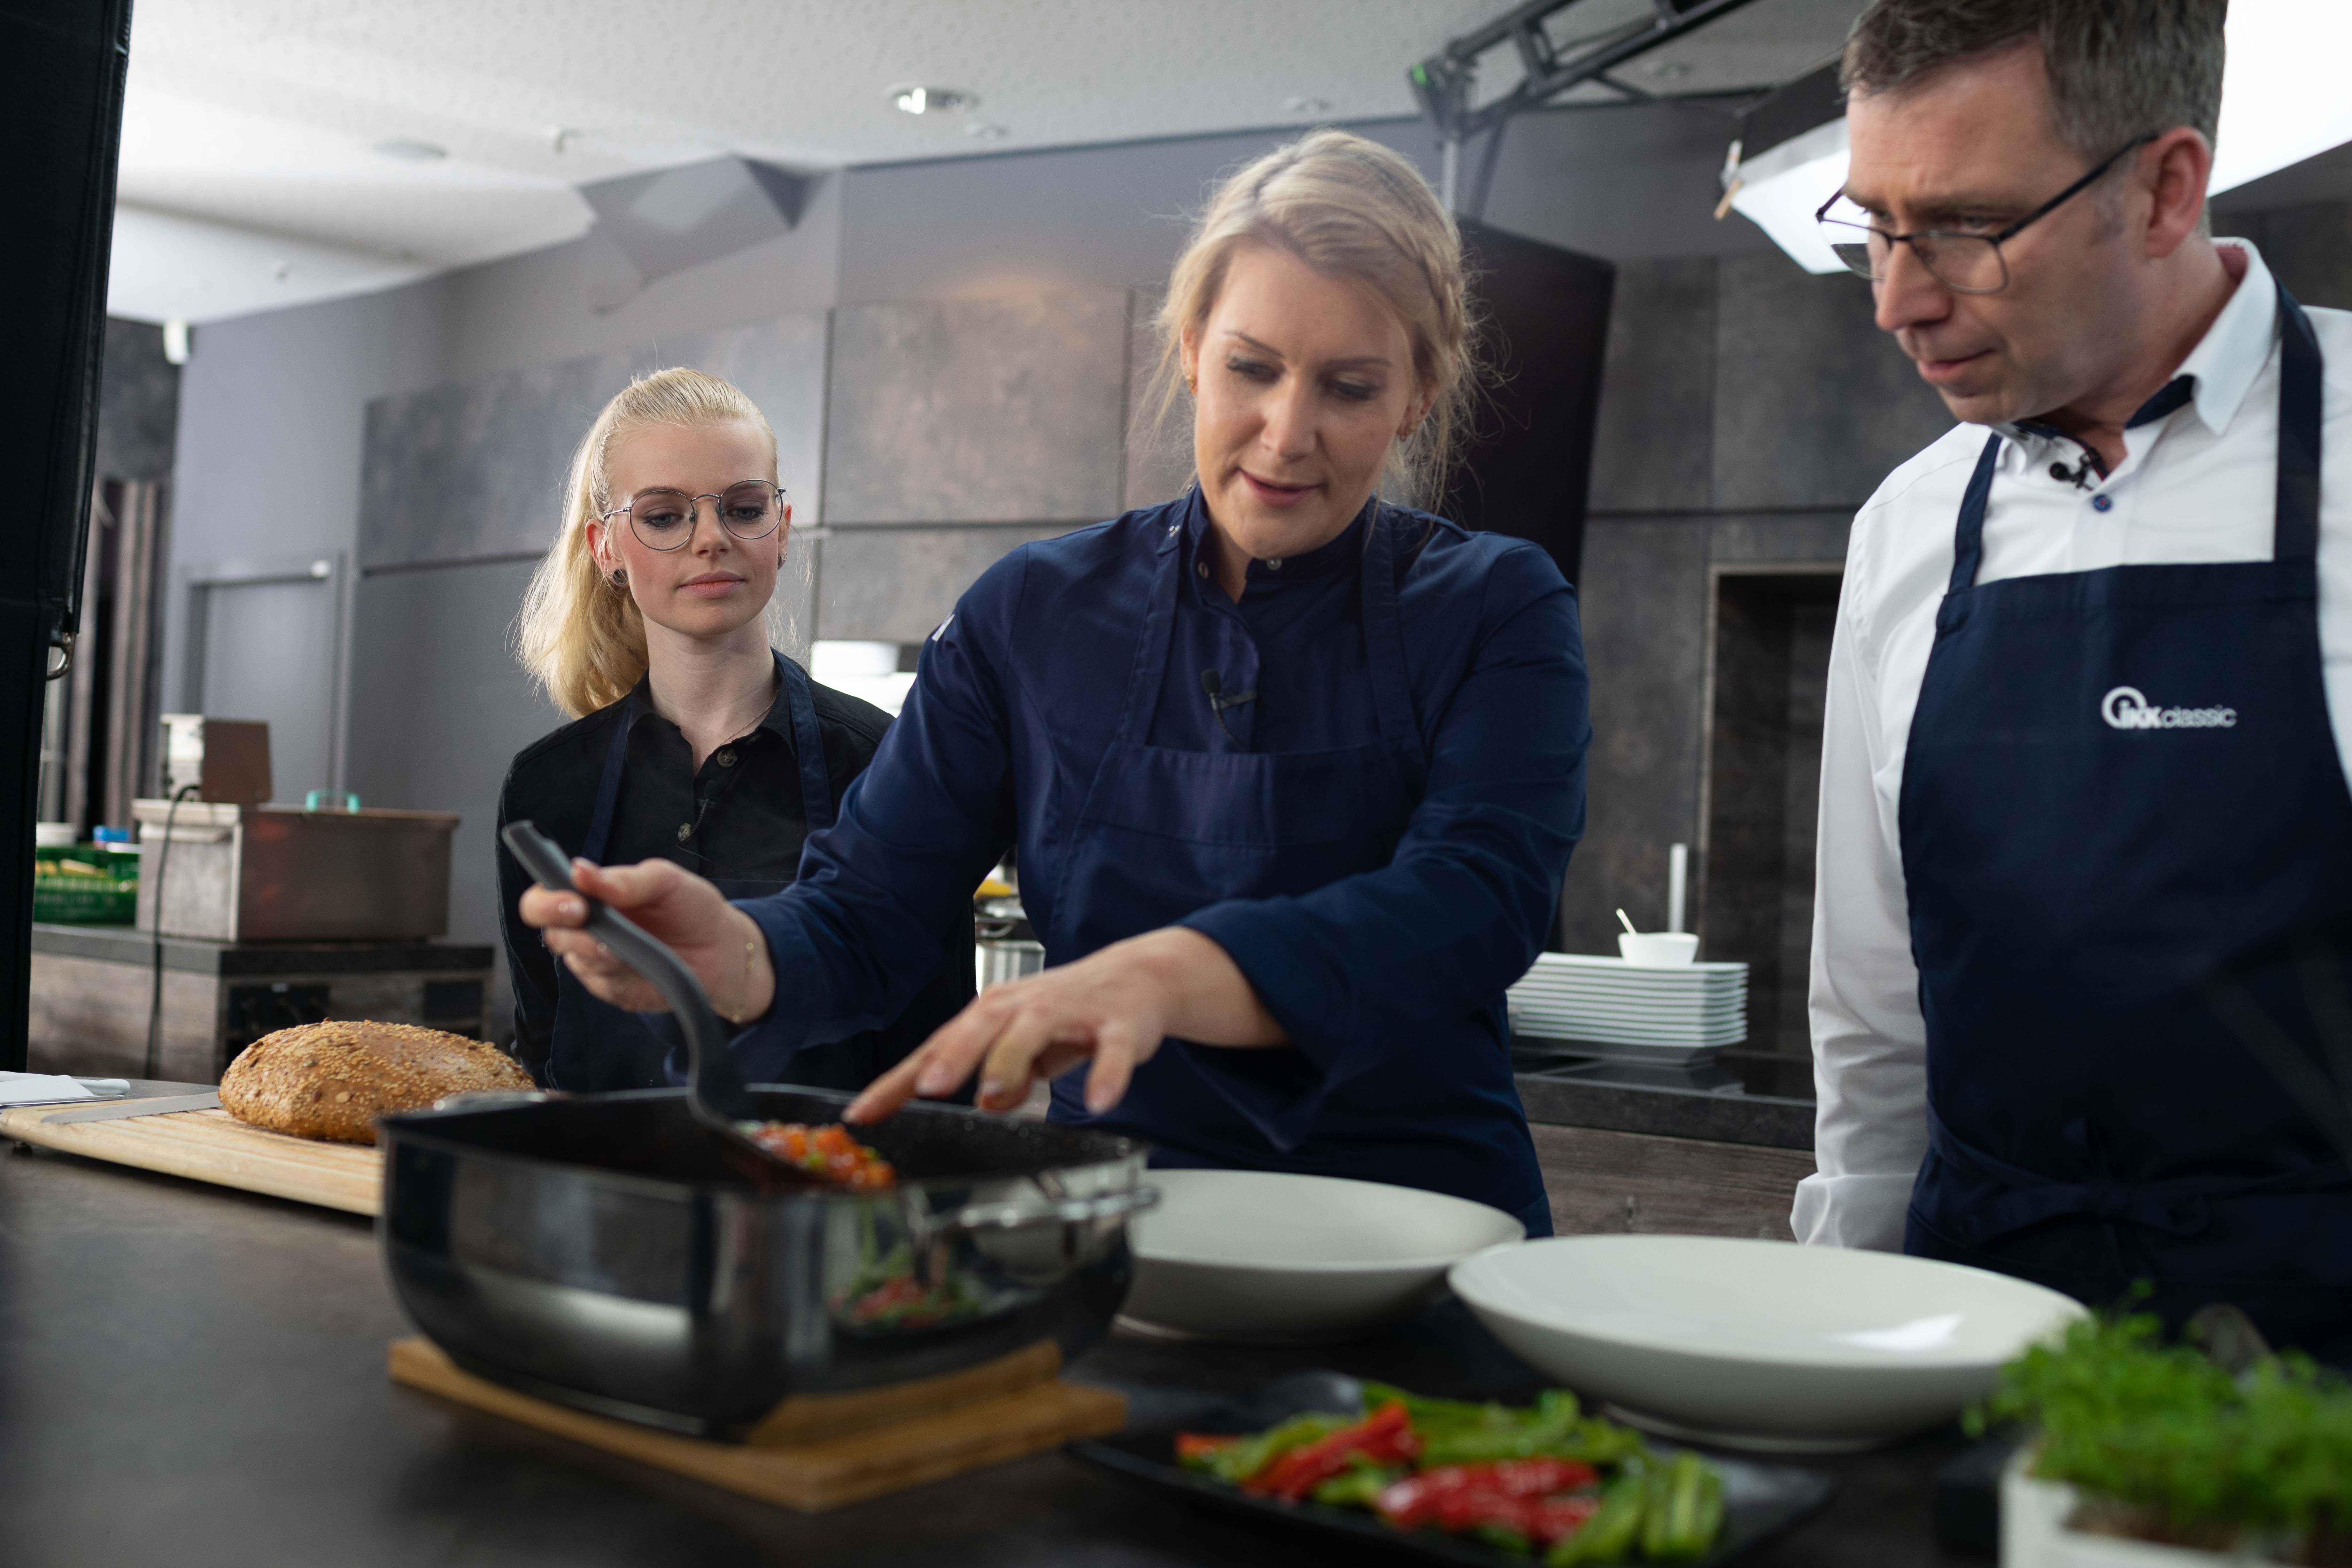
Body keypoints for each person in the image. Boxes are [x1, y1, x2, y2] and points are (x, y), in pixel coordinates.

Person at [520, 130, 1590, 1234]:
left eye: (1350, 387)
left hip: (1424, 1226)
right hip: (1124, 1223)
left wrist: (1172, 972)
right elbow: (873, 908)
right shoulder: (1031, 610)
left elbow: (1476, 899)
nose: (1287, 433)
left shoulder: (1497, 604)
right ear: (1190, 349)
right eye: (1251, 367)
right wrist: (740, 954)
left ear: (1417, 394)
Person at [1799, 0, 2352, 1356]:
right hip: (1964, 1344)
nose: (1896, 299)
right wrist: (1833, 1341)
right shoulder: (1903, 531)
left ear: (2164, 187)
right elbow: (1873, 1026)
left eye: (1966, 230)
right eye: (1872, 224)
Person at [496, 367, 972, 1092]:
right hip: (605, 1191)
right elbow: (542, 1049)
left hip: (825, 1192)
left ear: (780, 533)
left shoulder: (889, 764)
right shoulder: (545, 786)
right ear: (606, 550)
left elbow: (939, 1062)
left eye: (743, 509)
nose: (711, 539)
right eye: (663, 516)